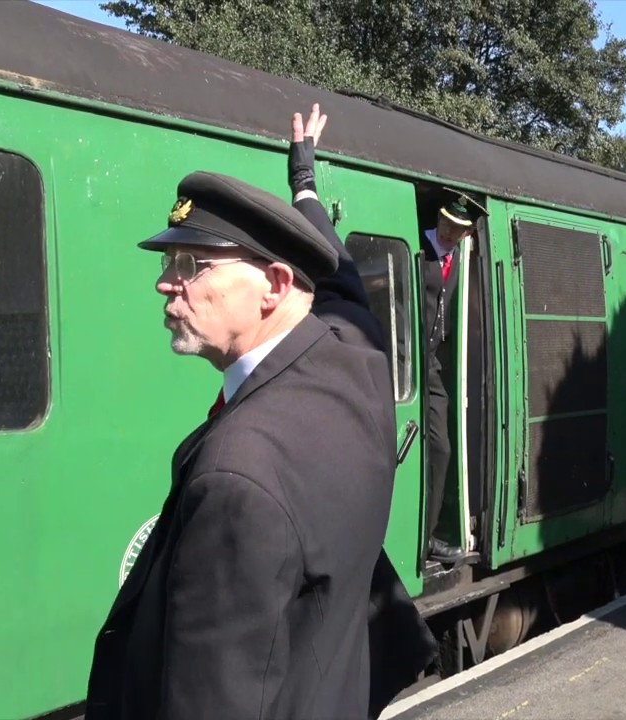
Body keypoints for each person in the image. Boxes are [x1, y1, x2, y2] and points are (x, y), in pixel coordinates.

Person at [85, 161, 402, 718]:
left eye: (192, 265)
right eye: (168, 261)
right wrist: (305, 189)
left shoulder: (237, 477)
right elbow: (343, 289)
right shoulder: (362, 372)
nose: (166, 282)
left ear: (275, 286)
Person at [286, 104, 439, 718]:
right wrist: (305, 186)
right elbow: (341, 280)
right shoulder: (365, 356)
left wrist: (302, 183)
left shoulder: (263, 425)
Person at [420, 193, 479, 565]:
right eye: (445, 223)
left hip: (433, 365)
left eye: (457, 229)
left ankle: (429, 538)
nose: (448, 231)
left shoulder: (460, 260)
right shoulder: (416, 246)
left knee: (440, 448)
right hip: (405, 360)